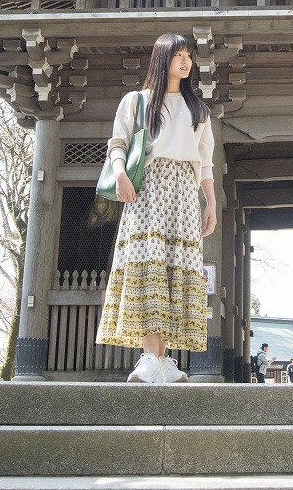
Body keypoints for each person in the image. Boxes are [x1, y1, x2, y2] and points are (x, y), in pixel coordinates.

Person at [95, 34, 218, 383]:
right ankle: (149, 356)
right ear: (161, 59)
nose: (185, 61)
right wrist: (120, 175)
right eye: (177, 54)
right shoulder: (137, 101)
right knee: (149, 268)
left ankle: (160, 360)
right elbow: (117, 143)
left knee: (172, 271)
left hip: (183, 193)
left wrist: (209, 203)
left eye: (188, 55)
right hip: (147, 190)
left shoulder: (199, 110)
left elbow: (204, 162)